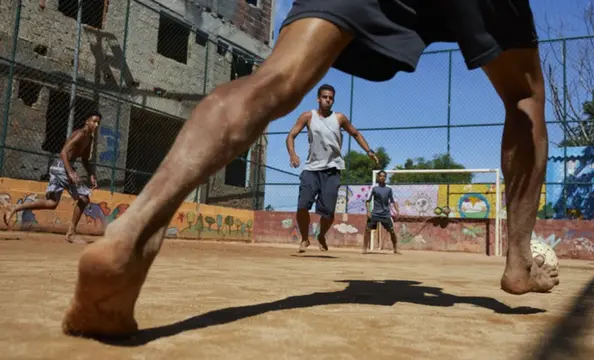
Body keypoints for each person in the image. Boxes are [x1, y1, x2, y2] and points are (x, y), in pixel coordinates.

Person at [61, 0, 560, 337]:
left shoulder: (337, 117)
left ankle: (137, 226)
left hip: (329, 164)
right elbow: (303, 132)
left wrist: (358, 148)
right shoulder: (316, 117)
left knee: (274, 78)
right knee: (524, 96)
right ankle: (517, 262)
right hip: (316, 166)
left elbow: (347, 130)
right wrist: (300, 151)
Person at [287, 84, 379, 253]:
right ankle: (305, 239)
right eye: (324, 97)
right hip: (311, 169)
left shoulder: (339, 118)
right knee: (302, 206)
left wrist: (369, 151)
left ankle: (321, 235)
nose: (328, 100)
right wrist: (292, 154)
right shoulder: (308, 116)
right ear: (318, 98)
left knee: (328, 213)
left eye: (330, 98)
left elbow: (356, 133)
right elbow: (291, 135)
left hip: (332, 170)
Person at [2, 112, 100, 243]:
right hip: (62, 168)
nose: (96, 125)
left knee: (51, 203)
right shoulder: (80, 134)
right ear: (87, 121)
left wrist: (91, 175)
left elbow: (84, 159)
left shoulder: (89, 139)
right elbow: (63, 152)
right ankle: (71, 233)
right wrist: (70, 172)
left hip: (58, 168)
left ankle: (14, 208)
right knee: (83, 198)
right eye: (94, 121)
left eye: (98, 122)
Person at [363, 170, 400, 254]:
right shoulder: (374, 188)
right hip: (375, 213)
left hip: (386, 214)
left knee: (392, 231)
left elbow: (394, 201)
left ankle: (395, 248)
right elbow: (367, 201)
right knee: (367, 230)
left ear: (385, 178)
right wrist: (368, 211)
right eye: (381, 176)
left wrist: (397, 211)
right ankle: (364, 248)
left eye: (384, 176)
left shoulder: (389, 188)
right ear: (378, 177)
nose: (382, 177)